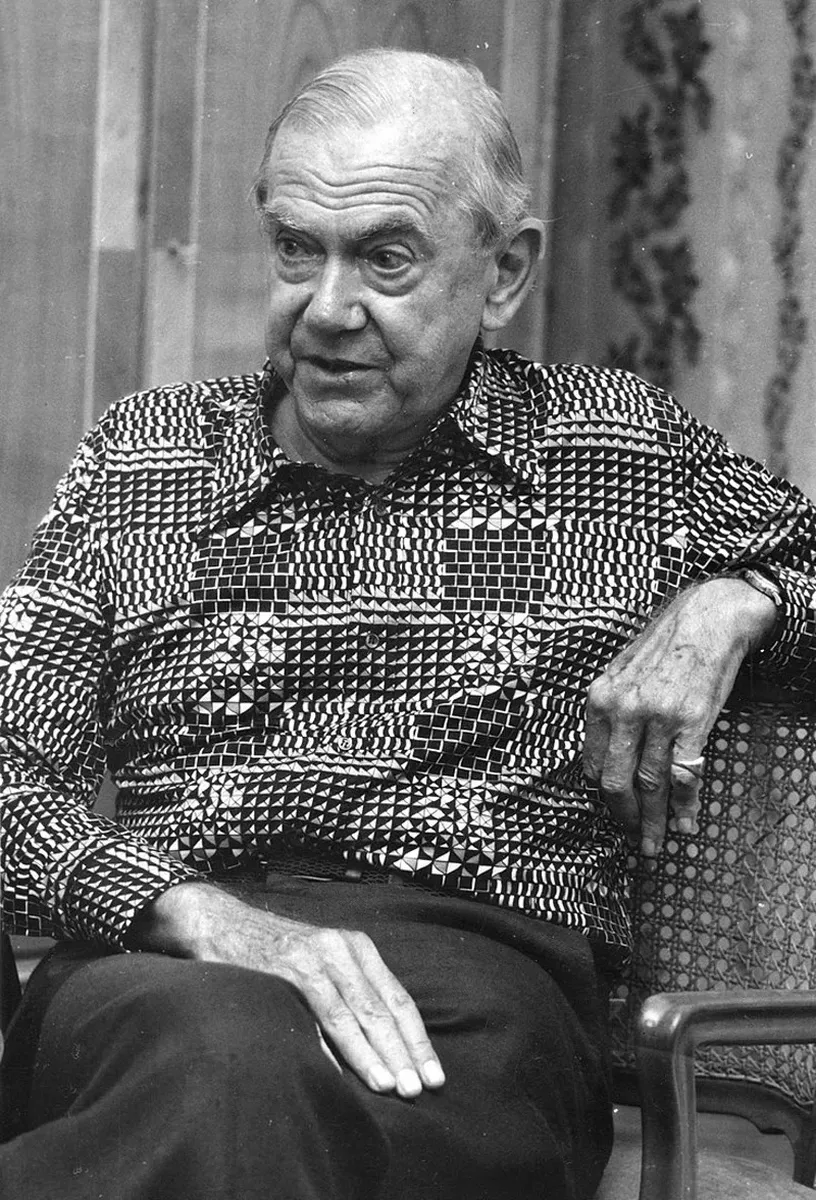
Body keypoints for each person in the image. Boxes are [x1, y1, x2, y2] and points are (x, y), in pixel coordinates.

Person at [1, 47, 814, 1200]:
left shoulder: (616, 450)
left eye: (386, 257)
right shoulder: (147, 457)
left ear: (504, 271)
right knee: (224, 1061)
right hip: (164, 978)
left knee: (233, 1100)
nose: (328, 309)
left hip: (474, 1012)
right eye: (298, 248)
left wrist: (739, 601)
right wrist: (188, 912)